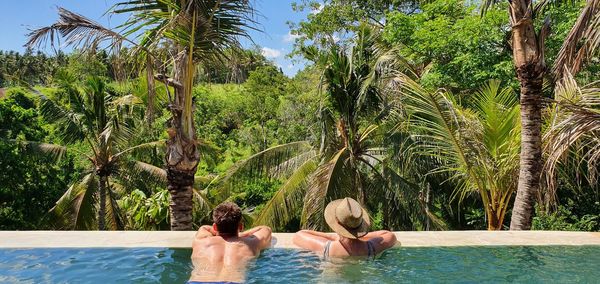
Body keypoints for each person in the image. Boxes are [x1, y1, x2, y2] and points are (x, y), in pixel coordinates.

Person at [189, 202, 272, 284]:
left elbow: (205, 227)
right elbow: (266, 229)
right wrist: (240, 235)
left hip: (197, 281)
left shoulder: (201, 241)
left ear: (215, 226)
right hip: (232, 282)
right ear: (241, 227)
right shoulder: (251, 243)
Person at [293, 197, 397, 259]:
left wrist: (332, 237)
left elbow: (299, 235)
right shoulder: (372, 248)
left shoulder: (326, 247)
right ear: (360, 225)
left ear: (336, 223)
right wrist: (360, 236)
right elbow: (388, 234)